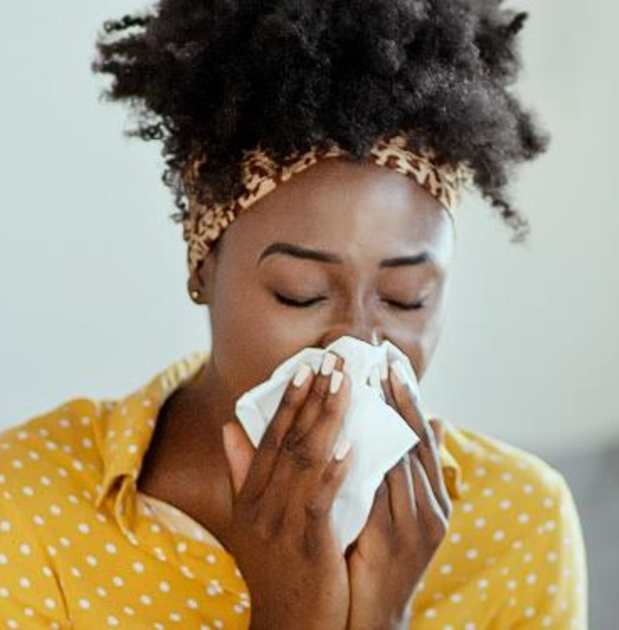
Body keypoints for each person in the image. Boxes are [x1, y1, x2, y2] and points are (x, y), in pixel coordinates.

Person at [0, 0, 587, 627]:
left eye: (405, 297)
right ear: (204, 268)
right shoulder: (30, 501)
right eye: (301, 292)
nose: (356, 344)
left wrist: (385, 618)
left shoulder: (518, 520)